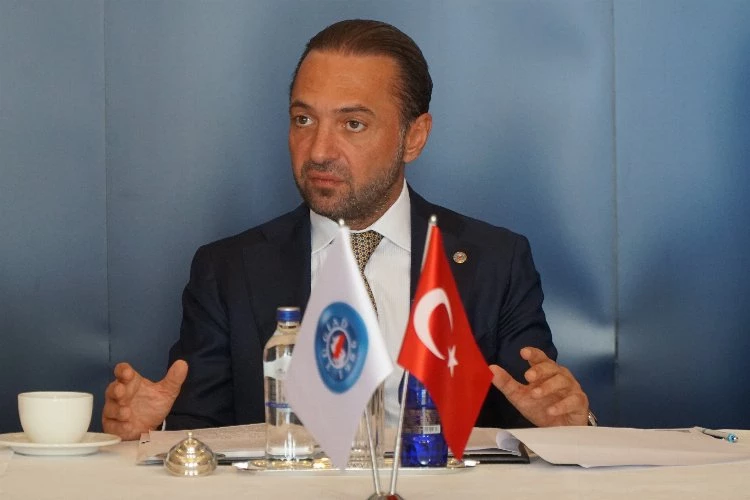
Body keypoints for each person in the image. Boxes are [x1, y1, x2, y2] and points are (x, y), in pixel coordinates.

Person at [102, 19, 591, 441]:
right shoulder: (227, 270)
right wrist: (149, 429)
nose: (318, 150)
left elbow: (534, 418)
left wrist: (567, 423)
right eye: (303, 119)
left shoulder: (495, 263)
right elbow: (198, 437)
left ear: (414, 136)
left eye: (352, 124)